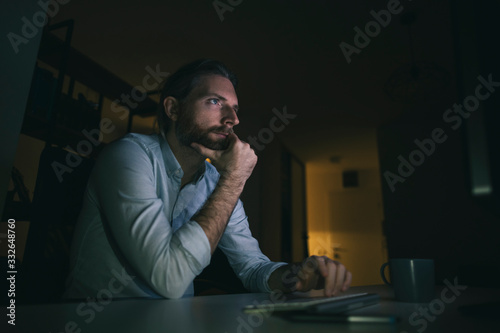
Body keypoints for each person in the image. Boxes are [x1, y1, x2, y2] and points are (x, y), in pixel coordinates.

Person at [64, 59, 352, 300]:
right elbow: (170, 279)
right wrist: (235, 177)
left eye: (235, 108)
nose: (232, 119)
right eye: (215, 101)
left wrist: (296, 276)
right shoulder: (128, 155)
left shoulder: (216, 180)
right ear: (173, 109)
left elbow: (252, 268)